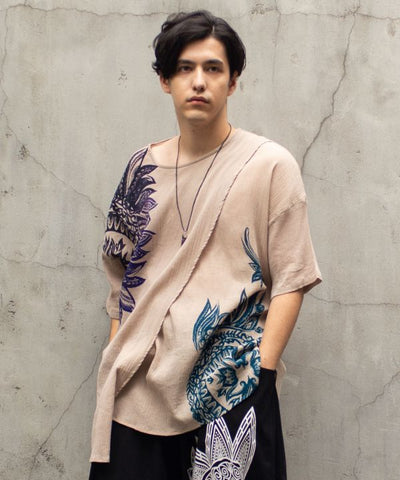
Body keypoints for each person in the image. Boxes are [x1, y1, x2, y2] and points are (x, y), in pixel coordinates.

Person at [89, 10, 321, 480]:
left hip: (230, 387)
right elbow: (119, 280)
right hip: (136, 391)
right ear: (165, 80)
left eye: (213, 68)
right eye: (185, 68)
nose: (199, 81)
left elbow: (292, 278)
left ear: (232, 81)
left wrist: (262, 375)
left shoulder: (269, 165)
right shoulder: (141, 169)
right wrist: (117, 358)